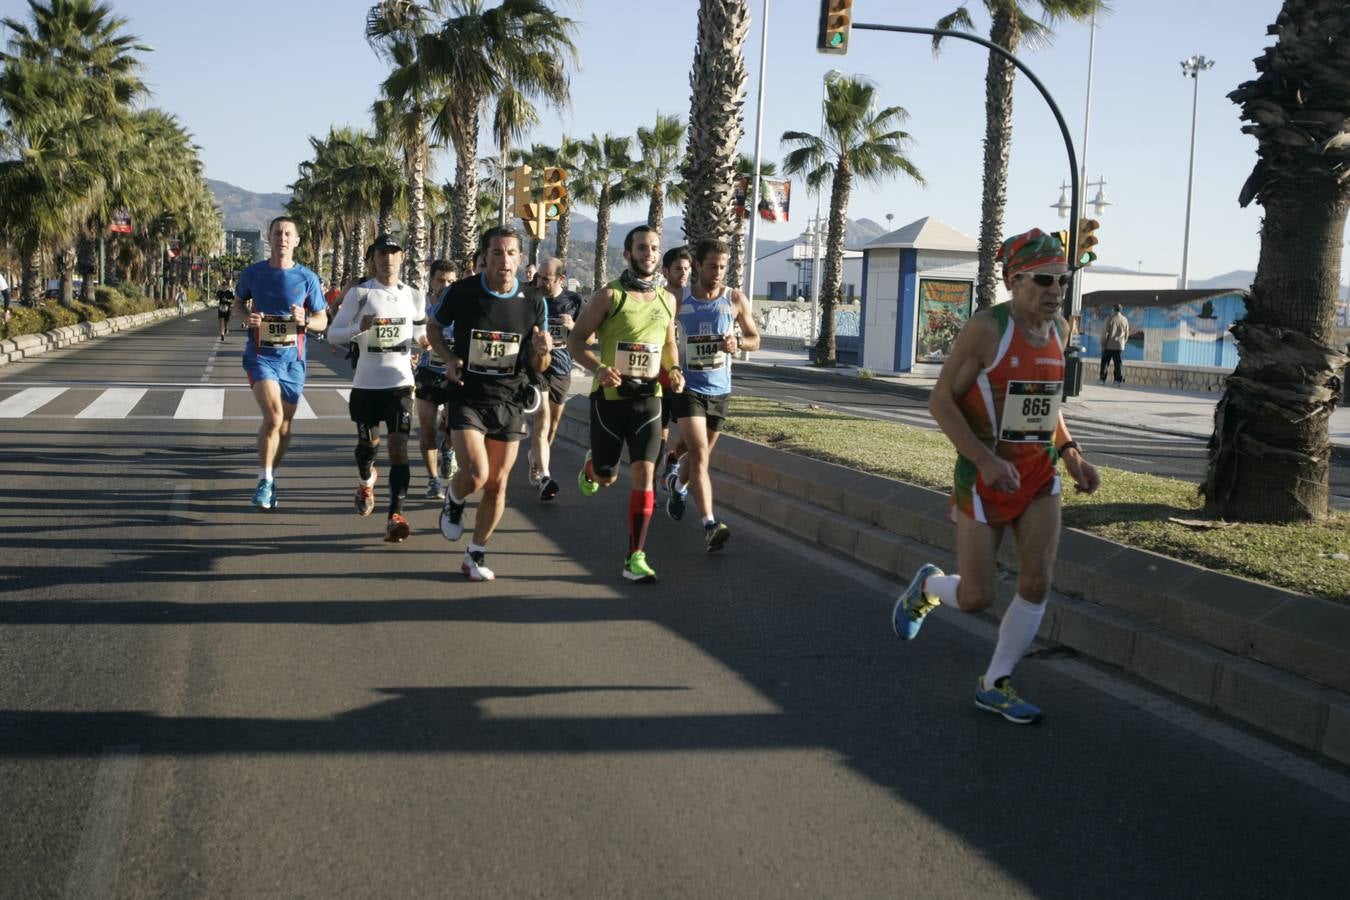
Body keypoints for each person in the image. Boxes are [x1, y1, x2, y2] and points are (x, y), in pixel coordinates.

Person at [892, 228, 1100, 724]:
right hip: (984, 477)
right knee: (976, 597)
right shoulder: (987, 329)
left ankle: (995, 682)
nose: (1055, 291)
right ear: (1013, 281)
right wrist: (985, 460)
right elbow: (940, 401)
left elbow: (1045, 404)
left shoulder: (1061, 331)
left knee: (1037, 579)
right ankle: (927, 589)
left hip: (1038, 474)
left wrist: (1070, 453)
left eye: (1062, 281)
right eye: (1044, 280)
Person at [426, 226, 551, 581]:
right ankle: (454, 496)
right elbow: (434, 328)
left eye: (512, 253)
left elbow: (538, 364)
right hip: (467, 395)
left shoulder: (533, 301)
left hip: (510, 400)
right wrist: (448, 357)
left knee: (498, 484)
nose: (505, 260)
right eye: (497, 253)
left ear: (521, 258)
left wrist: (543, 353)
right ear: (484, 258)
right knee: (477, 475)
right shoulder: (462, 292)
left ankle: (475, 554)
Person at [568, 225, 684, 583]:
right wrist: (600, 368)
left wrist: (674, 369)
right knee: (607, 476)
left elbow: (667, 344)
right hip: (610, 400)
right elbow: (575, 342)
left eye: (653, 248)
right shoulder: (609, 296)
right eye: (641, 248)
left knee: (644, 474)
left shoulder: (668, 299)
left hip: (649, 400)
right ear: (628, 254)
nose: (648, 254)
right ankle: (593, 468)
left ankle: (635, 556)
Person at [326, 234, 426, 542]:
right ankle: (365, 479)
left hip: (400, 383)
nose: (388, 259)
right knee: (368, 448)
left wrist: (424, 343)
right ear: (373, 259)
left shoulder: (414, 294)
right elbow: (333, 335)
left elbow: (421, 331)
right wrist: (360, 328)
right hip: (367, 384)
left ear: (402, 257)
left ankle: (395, 515)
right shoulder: (360, 293)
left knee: (398, 447)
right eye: (382, 253)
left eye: (394, 253)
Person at [665, 238, 761, 551]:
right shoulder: (678, 297)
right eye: (712, 266)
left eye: (722, 267)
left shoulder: (734, 299)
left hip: (720, 390)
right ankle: (709, 523)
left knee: (698, 456)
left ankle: (678, 486)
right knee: (700, 454)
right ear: (697, 266)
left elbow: (755, 339)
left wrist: (739, 343)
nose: (718, 272)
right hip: (688, 387)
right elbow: (660, 333)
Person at [234, 216, 330, 510]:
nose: (282, 238)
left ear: (297, 241)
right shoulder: (253, 273)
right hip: (261, 357)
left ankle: (271, 477)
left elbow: (323, 319)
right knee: (274, 418)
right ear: (269, 237)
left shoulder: (308, 278)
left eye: (288, 234)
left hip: (294, 361)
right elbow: (238, 302)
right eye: (277, 233)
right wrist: (245, 317)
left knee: (285, 426)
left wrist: (307, 320)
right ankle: (263, 481)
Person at [525, 256, 583, 501]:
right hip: (537, 366)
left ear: (560, 279)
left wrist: (573, 327)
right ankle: (546, 475)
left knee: (553, 424)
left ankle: (536, 457)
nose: (540, 283)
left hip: (561, 368)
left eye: (545, 279)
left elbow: (589, 340)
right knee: (542, 419)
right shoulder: (530, 297)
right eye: (538, 277)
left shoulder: (574, 301)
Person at [414, 259, 460, 500]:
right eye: (441, 280)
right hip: (427, 372)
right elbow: (408, 331)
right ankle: (433, 480)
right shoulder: (420, 305)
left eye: (451, 281)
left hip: (454, 375)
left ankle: (449, 451)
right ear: (431, 281)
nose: (445, 285)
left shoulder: (461, 306)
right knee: (428, 430)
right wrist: (415, 346)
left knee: (454, 428)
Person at [658, 246, 693, 486]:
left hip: (688, 378)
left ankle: (672, 460)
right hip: (660, 378)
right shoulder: (657, 299)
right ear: (665, 271)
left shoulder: (695, 300)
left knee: (690, 435)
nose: (683, 273)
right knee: (659, 436)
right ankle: (650, 485)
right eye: (678, 269)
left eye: (687, 269)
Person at [1099, 303, 1129, 385]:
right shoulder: (1125, 320)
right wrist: (1123, 343)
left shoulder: (1109, 319)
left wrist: (1103, 343)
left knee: (1105, 363)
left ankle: (1102, 379)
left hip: (1108, 345)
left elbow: (1104, 332)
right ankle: (1117, 380)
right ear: (1120, 310)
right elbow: (1126, 334)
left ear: (1113, 309)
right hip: (1119, 346)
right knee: (1118, 364)